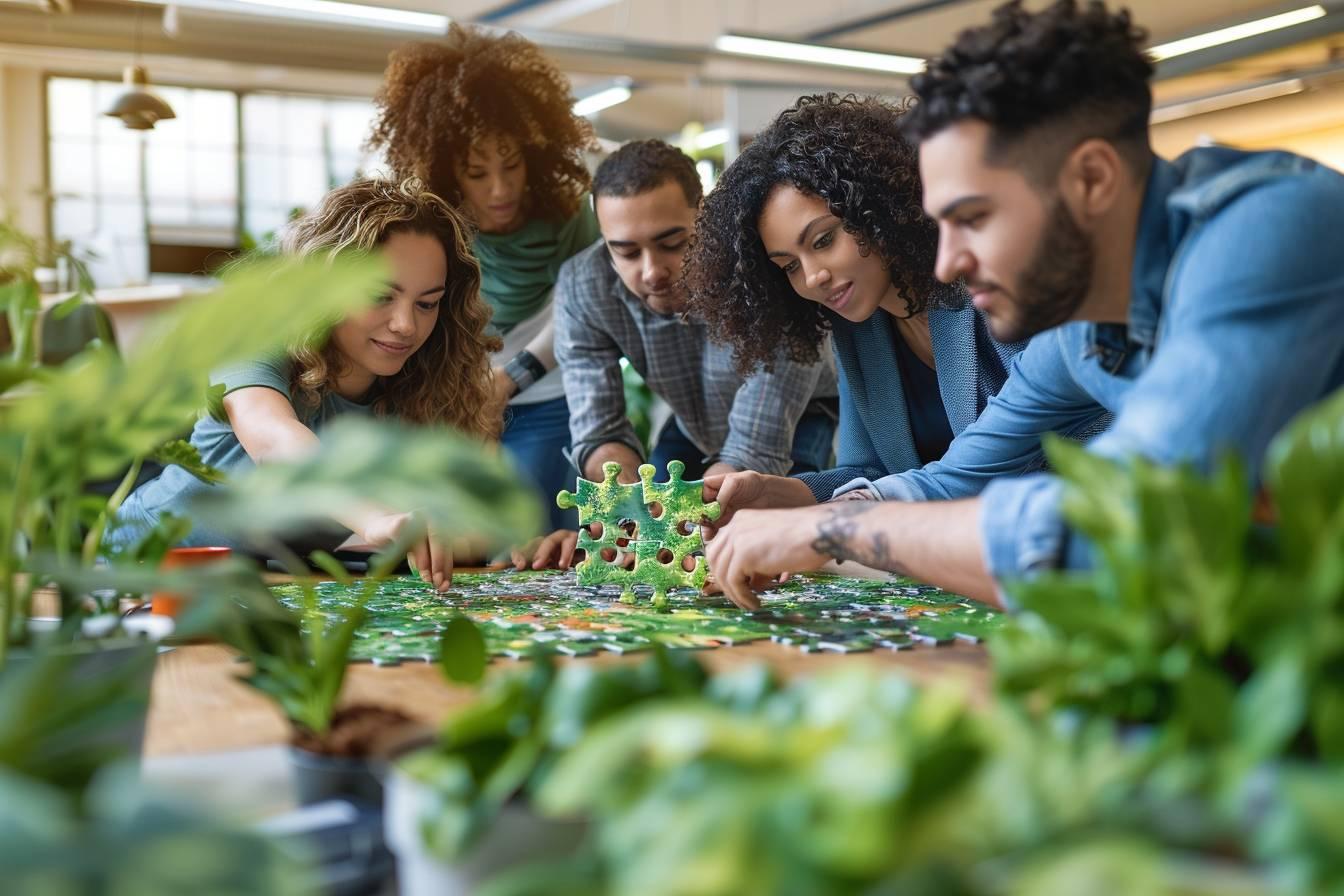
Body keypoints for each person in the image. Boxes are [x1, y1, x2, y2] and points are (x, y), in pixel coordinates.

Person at [703, 0, 1344, 610]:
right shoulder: (1083, 325)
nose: (946, 263)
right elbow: (958, 473)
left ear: (1092, 180)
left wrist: (835, 532)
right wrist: (812, 513)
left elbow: (1124, 527)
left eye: (974, 218)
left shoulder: (1271, 229)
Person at [110, 178, 502, 592]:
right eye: (379, 296)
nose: (406, 325)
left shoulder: (424, 385)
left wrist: (489, 541)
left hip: (264, 587)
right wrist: (376, 517)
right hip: (140, 567)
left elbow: (460, 527)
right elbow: (276, 442)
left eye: (426, 304)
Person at [683, 93, 1064, 514]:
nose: (813, 277)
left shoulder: (989, 283)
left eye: (824, 240)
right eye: (789, 266)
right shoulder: (860, 326)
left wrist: (826, 522)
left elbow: (1008, 459)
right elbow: (866, 469)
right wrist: (775, 495)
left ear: (876, 209)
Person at [368, 25, 599, 529]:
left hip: (543, 393)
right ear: (447, 173)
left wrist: (507, 382)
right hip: (454, 397)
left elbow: (583, 313)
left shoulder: (570, 215)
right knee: (462, 535)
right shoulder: (434, 227)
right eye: (476, 173)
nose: (500, 190)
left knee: (534, 533)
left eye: (512, 165)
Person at [554, 138, 838, 492]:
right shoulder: (584, 286)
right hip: (692, 425)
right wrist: (624, 498)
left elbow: (754, 449)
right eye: (626, 252)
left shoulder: (762, 268)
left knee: (769, 517)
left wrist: (690, 519)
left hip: (800, 416)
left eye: (672, 244)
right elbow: (597, 430)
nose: (652, 271)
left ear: (703, 215)